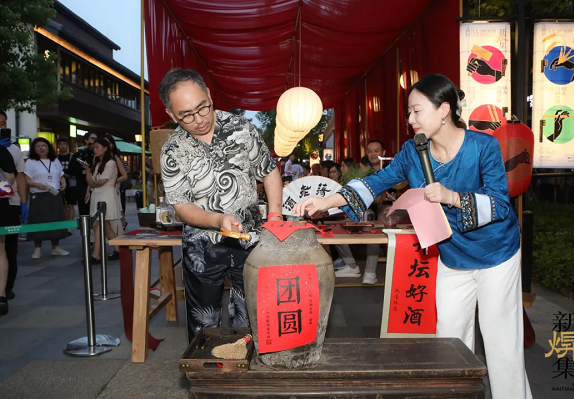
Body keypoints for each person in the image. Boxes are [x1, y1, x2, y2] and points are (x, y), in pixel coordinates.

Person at [294, 74, 532, 399]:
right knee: (449, 339)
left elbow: (500, 204)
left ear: (444, 109)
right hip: (452, 253)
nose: (410, 120)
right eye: (409, 112)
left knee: (501, 342)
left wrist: (451, 197)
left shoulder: (483, 146)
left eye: (417, 111)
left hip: (496, 254)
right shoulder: (413, 150)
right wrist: (326, 201)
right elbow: (376, 182)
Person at [158, 68, 283, 341]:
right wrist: (217, 220)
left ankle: (249, 372)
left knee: (250, 315)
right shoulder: (172, 150)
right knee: (204, 321)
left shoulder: (242, 128)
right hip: (201, 245)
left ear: (209, 95)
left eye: (203, 108)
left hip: (249, 237)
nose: (200, 119)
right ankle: (207, 375)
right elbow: (182, 206)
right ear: (171, 114)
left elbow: (269, 171)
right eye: (187, 116)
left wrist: (275, 214)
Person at [329, 162, 380, 284]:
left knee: (375, 236)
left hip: (369, 219)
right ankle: (351, 265)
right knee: (334, 230)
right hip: (350, 219)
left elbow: (378, 200)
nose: (341, 169)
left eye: (343, 166)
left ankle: (370, 272)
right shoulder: (344, 183)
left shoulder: (370, 179)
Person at [25, 138, 69, 259]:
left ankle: (56, 247)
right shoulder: (30, 162)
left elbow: (60, 174)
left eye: (44, 146)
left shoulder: (55, 161)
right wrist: (36, 184)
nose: (41, 148)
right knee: (38, 221)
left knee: (55, 220)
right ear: (34, 149)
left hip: (54, 194)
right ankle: (37, 248)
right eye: (38, 146)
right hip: (39, 194)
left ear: (49, 147)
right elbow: (26, 180)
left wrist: (63, 181)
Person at [0, 111, 28, 300]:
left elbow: (18, 177)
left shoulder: (14, 150)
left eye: (3, 123)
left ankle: (6, 287)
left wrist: (24, 201)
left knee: (9, 247)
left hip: (10, 203)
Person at [81, 138, 121, 263]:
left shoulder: (111, 163)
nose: (95, 150)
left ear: (105, 148)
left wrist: (92, 183)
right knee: (105, 226)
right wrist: (88, 170)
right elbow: (90, 182)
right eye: (94, 148)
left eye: (97, 147)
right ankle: (119, 250)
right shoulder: (97, 163)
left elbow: (100, 182)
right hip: (97, 195)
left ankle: (96, 254)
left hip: (106, 195)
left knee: (98, 224)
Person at [0, 145, 17, 315]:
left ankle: (1, 295)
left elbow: (11, 177)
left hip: (0, 204)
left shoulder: (1, 151)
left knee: (0, 250)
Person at [69, 132, 97, 217]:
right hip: (82, 185)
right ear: (86, 140)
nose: (94, 141)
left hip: (96, 185)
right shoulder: (78, 155)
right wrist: (82, 172)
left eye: (95, 139)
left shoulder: (98, 155)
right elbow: (71, 170)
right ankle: (85, 229)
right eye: (92, 138)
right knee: (84, 210)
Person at [57, 137, 76, 233]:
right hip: (59, 183)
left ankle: (70, 225)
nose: (62, 146)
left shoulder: (73, 156)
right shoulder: (56, 158)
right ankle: (65, 224)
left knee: (71, 204)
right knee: (62, 204)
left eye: (64, 144)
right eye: (60, 144)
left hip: (72, 183)